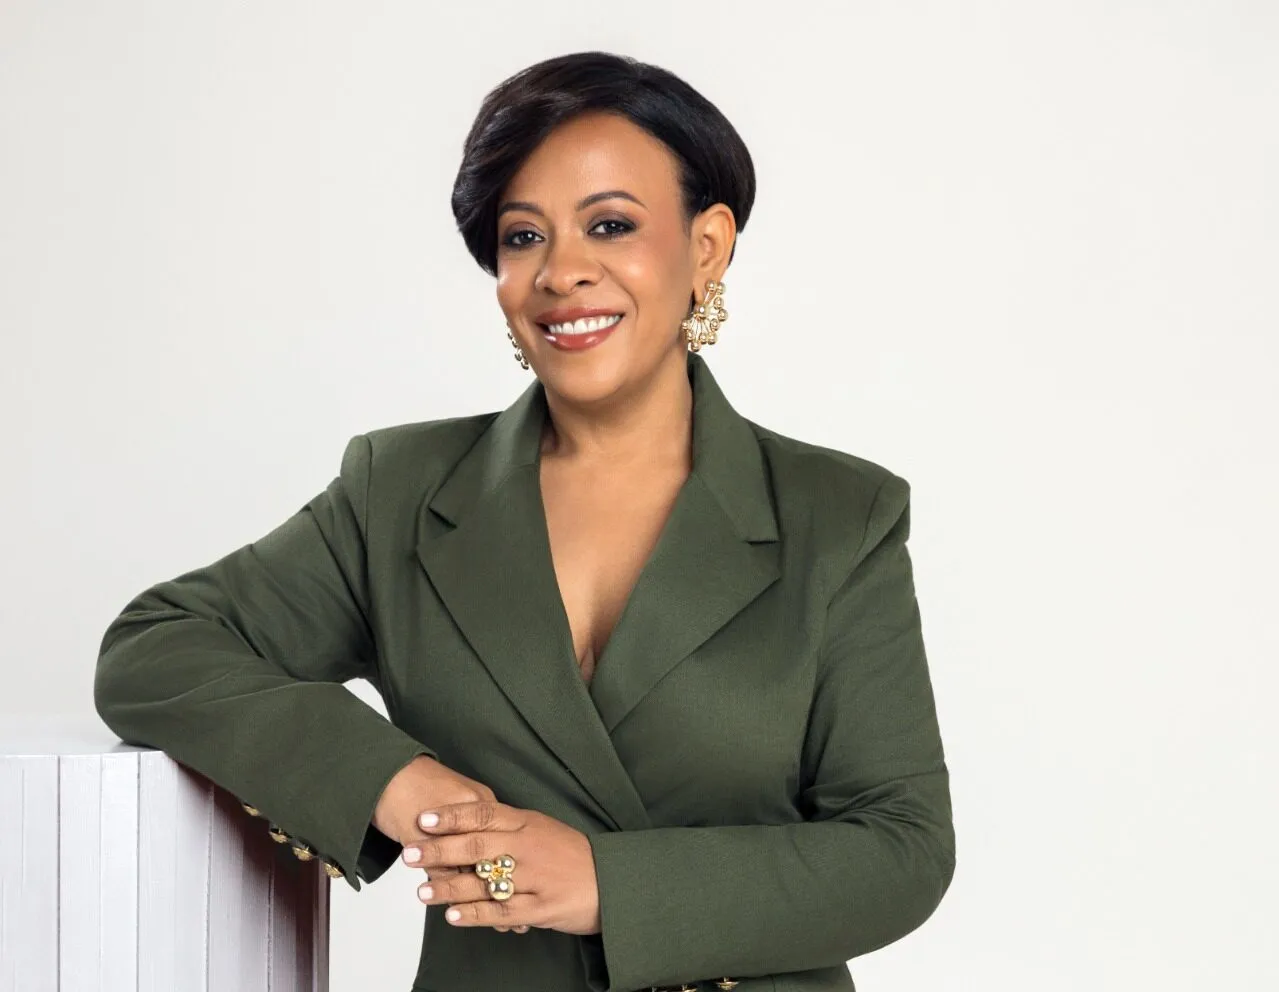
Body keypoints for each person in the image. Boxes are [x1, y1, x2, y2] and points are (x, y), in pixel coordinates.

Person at [94, 50, 955, 992]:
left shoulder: (839, 514)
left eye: (610, 225)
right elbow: (155, 646)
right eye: (522, 237)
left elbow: (901, 848)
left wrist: (609, 886)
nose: (561, 272)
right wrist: (392, 780)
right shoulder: (404, 493)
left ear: (706, 247)